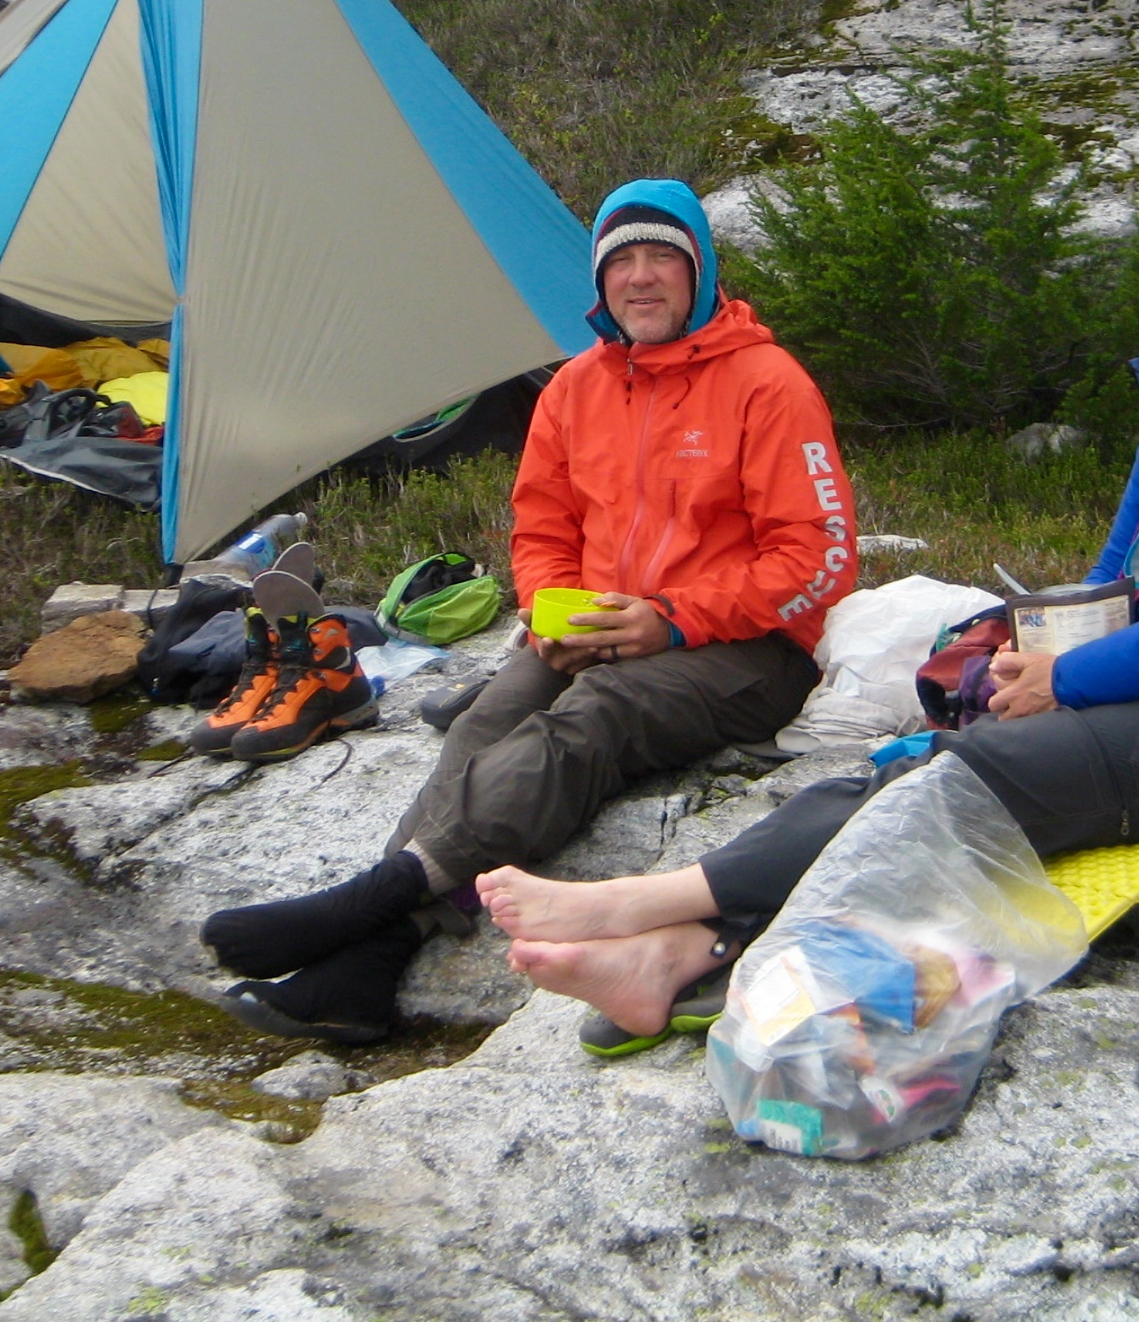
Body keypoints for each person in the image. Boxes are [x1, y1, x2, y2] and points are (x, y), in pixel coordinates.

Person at [485, 160, 1139, 1050]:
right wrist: (1027, 656)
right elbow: (1113, 572)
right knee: (920, 756)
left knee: (973, 779)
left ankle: (646, 908)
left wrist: (1075, 675)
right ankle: (682, 953)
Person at [198, 178, 858, 1042]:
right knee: (487, 721)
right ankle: (368, 965)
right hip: (593, 633)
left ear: (702, 273)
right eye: (623, 261)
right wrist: (553, 611)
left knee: (593, 718)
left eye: (665, 257)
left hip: (747, 649)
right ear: (599, 283)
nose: (643, 279)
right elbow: (541, 527)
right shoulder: (575, 389)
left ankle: (376, 901)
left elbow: (819, 561)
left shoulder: (768, 384)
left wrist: (672, 618)